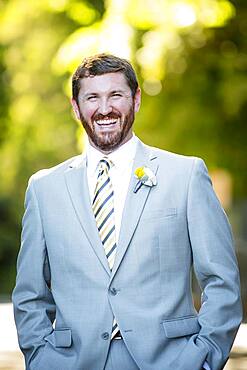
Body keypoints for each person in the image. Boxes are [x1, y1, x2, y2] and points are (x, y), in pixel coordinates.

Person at [12, 54, 242, 370]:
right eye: (92, 97)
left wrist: (202, 358)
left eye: (115, 95)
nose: (104, 108)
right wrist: (41, 359)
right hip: (73, 363)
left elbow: (221, 281)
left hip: (171, 362)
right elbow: (30, 295)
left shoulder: (185, 175)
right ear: (76, 107)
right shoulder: (43, 189)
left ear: (135, 100)